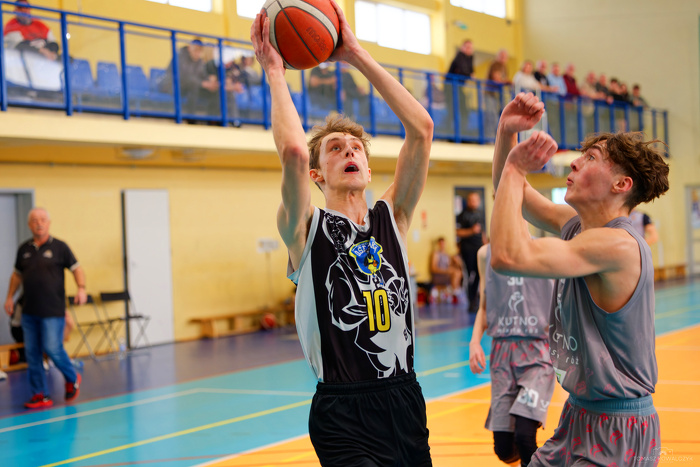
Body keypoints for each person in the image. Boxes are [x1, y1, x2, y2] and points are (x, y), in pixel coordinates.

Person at [251, 0, 434, 464]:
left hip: (404, 398)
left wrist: (355, 53)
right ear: (317, 174)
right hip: (343, 411)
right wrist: (274, 71)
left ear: (368, 169)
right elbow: (295, 152)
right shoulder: (305, 227)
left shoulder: (393, 217)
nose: (349, 151)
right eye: (335, 148)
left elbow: (421, 128)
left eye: (356, 147)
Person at [490, 92, 669, 466]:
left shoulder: (618, 245)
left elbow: (508, 256)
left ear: (621, 184)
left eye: (591, 158)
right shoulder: (577, 226)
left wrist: (516, 168)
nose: (574, 161)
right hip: (578, 413)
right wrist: (507, 132)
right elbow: (513, 195)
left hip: (619, 426)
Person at [470, 242, 556, 466]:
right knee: (504, 449)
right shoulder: (485, 254)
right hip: (502, 355)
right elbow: (484, 307)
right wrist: (474, 341)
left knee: (525, 436)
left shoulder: (546, 250)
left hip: (536, 354)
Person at [3, 207, 85, 409]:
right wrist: (9, 297)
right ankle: (40, 394)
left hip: (53, 311)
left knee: (52, 348)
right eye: (34, 220)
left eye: (42, 219)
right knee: (32, 354)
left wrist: (81, 288)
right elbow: (17, 275)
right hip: (29, 312)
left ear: (48, 223)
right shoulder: (23, 249)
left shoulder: (60, 247)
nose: (39, 223)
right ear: (29, 225)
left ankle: (72, 376)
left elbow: (77, 269)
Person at [159, 38, 209, 118]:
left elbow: (203, 76)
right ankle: (190, 118)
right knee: (194, 86)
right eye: (196, 50)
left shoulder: (199, 62)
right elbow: (184, 77)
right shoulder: (180, 56)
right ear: (189, 48)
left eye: (200, 51)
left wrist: (210, 82)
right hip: (172, 86)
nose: (197, 53)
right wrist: (201, 83)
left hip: (187, 88)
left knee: (212, 90)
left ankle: (215, 120)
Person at [456, 191, 486, 312]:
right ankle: (471, 301)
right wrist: (471, 231)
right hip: (468, 250)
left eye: (475, 200)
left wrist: (485, 244)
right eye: (471, 200)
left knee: (480, 274)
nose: (473, 202)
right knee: (470, 276)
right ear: (468, 201)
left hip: (479, 249)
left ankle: (477, 300)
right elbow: (458, 232)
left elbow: (482, 232)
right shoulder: (462, 215)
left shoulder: (480, 214)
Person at [430, 237, 463, 303]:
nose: (442, 245)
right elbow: (433, 269)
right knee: (456, 273)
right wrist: (447, 271)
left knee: (458, 272)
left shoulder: (447, 255)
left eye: (443, 243)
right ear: (438, 244)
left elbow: (452, 266)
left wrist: (458, 262)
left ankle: (455, 291)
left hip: (446, 275)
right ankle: (455, 293)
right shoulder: (436, 254)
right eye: (441, 243)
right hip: (439, 276)